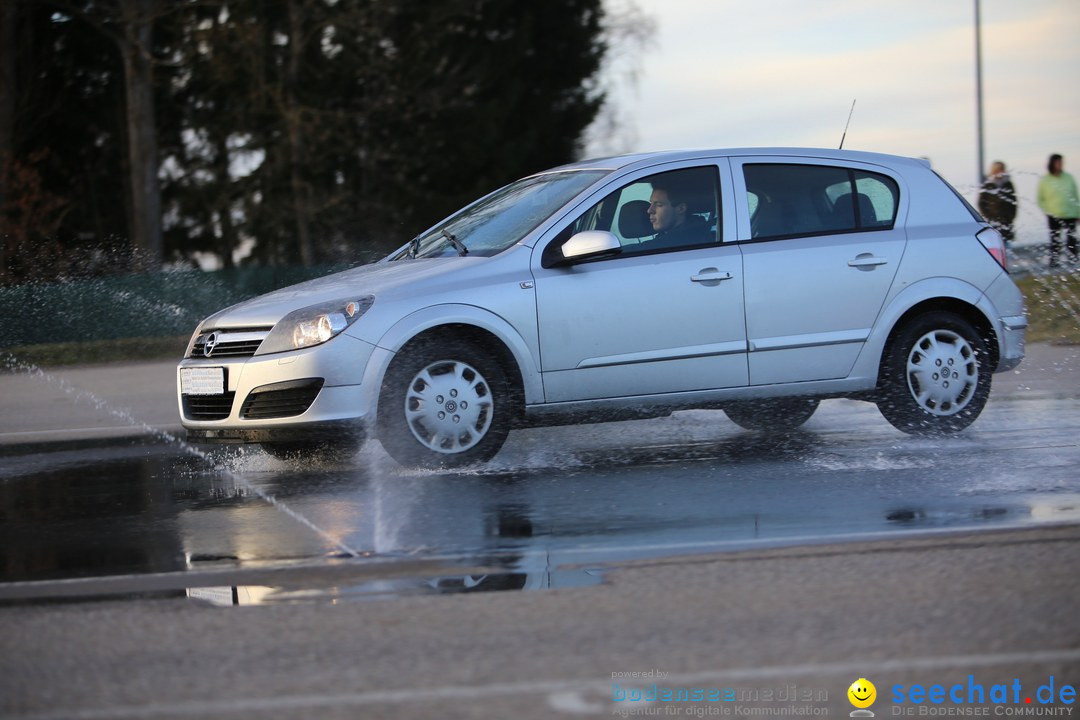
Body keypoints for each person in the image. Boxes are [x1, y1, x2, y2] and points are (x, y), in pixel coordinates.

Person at [1037, 153, 1080, 267]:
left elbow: (1076, 196)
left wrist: (1078, 212)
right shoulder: (1045, 180)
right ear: (1052, 163)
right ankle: (1054, 262)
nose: (1060, 164)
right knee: (1055, 239)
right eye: (1058, 162)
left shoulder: (1068, 177)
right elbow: (1040, 198)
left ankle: (1073, 261)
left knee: (1071, 239)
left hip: (1070, 213)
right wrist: (1047, 210)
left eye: (1061, 162)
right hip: (1053, 214)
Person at [645, 177, 713, 249]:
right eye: (651, 203)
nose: (649, 210)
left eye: (659, 205)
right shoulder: (699, 230)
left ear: (681, 209)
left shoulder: (687, 240)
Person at [978, 161, 1017, 244]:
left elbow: (1014, 201)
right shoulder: (988, 185)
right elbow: (981, 203)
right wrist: (988, 216)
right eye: (999, 170)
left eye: (1002, 169)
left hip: (1006, 220)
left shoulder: (1008, 184)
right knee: (994, 243)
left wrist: (1011, 216)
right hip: (992, 221)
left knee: (1006, 245)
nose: (1001, 172)